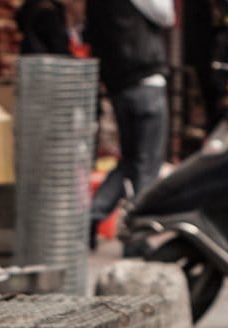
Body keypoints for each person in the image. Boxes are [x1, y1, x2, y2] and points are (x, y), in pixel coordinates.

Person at [86, 0, 176, 250]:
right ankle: (137, 235)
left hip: (119, 85)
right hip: (146, 81)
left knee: (129, 161)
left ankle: (91, 218)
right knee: (147, 165)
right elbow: (166, 16)